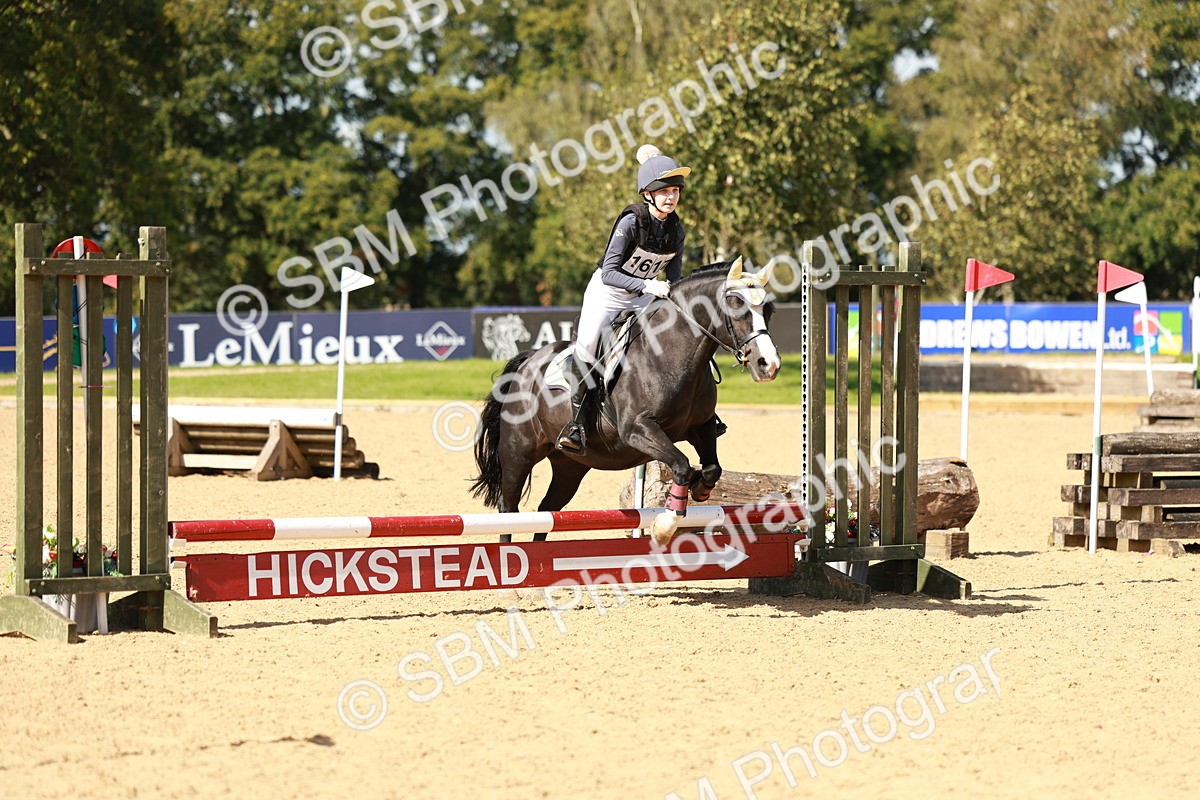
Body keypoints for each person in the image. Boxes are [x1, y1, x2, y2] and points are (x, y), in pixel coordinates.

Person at [555, 144, 689, 454]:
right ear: (648, 194)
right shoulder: (631, 222)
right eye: (664, 191)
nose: (671, 196)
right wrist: (646, 285)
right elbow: (609, 273)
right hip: (608, 295)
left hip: (643, 299)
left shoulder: (676, 231)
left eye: (675, 191)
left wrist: (669, 294)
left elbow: (675, 279)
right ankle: (576, 424)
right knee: (588, 346)